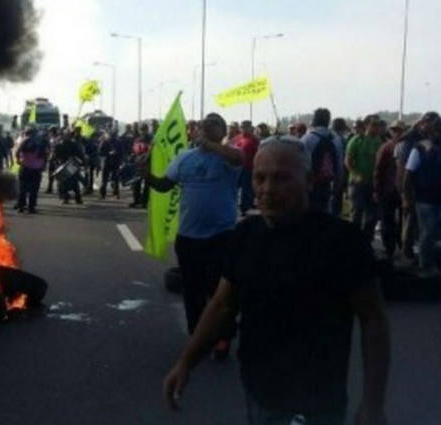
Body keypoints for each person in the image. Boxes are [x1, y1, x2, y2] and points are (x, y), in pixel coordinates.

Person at [163, 136, 391, 425]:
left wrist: (373, 403)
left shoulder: (342, 241)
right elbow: (222, 305)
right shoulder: (245, 237)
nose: (268, 189)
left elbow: (373, 320)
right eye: (260, 178)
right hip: (259, 393)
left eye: (282, 178)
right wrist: (186, 362)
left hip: (316, 402)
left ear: (308, 181)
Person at [144, 113, 243, 359]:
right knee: (193, 290)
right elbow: (164, 185)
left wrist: (212, 146)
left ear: (223, 131)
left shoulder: (228, 158)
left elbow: (239, 157)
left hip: (222, 235)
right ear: (198, 129)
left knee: (220, 291)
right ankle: (197, 336)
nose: (209, 126)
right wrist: (146, 175)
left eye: (215, 123)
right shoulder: (184, 158)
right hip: (189, 237)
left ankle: (223, 338)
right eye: (205, 123)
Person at [395, 112, 440, 261]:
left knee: (428, 230)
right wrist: (405, 195)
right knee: (414, 224)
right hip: (418, 191)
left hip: (430, 194)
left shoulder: (428, 144)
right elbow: (404, 170)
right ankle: (409, 255)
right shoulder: (412, 143)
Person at [346, 116, 384, 242]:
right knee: (357, 212)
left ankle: (367, 241)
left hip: (373, 183)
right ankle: (353, 241)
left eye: (378, 125)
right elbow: (348, 161)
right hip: (357, 184)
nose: (377, 128)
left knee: (372, 215)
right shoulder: (356, 140)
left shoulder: (379, 141)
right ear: (366, 125)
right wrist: (356, 175)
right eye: (374, 125)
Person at [301, 108, 344, 215]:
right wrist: (339, 183)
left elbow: (300, 163)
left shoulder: (307, 139)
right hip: (327, 182)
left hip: (309, 183)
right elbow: (339, 164)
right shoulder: (335, 139)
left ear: (314, 120)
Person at [374, 121, 405, 260]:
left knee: (402, 221)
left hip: (403, 190)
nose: (397, 133)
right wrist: (376, 189)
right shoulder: (386, 147)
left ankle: (399, 245)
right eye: (395, 130)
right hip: (387, 190)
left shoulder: (408, 147)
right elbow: (378, 170)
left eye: (400, 130)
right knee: (387, 220)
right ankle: (389, 247)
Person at [14, 127, 49, 213]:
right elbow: (46, 155)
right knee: (34, 189)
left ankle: (21, 206)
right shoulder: (42, 141)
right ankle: (31, 207)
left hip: (25, 167)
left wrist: (18, 160)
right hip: (36, 169)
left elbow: (17, 152)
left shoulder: (24, 140)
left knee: (23, 188)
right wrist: (43, 165)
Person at [233, 120, 260, 215]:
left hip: (250, 167)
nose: (244, 128)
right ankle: (240, 205)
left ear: (250, 127)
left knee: (247, 188)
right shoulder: (238, 138)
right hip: (238, 167)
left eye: (246, 126)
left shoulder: (255, 139)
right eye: (242, 126)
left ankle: (245, 207)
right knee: (236, 188)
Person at [53, 131, 86, 204]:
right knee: (74, 182)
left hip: (62, 164)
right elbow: (80, 154)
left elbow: (54, 156)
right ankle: (78, 198)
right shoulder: (73, 144)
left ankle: (66, 198)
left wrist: (56, 163)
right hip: (72, 164)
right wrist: (83, 163)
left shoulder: (59, 144)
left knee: (63, 182)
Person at [129, 124, 152, 208]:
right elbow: (134, 150)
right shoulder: (137, 139)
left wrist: (146, 157)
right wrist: (132, 156)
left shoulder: (151, 139)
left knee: (147, 184)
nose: (143, 131)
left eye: (144, 129)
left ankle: (144, 202)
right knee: (136, 183)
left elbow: (151, 151)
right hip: (138, 163)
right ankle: (136, 200)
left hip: (147, 163)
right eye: (142, 129)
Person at [98, 131, 122, 199]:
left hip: (108, 162)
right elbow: (122, 153)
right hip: (113, 162)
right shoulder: (118, 142)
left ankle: (104, 194)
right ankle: (116, 193)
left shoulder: (105, 142)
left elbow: (100, 152)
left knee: (105, 179)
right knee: (115, 179)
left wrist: (108, 153)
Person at [45, 126, 61, 194]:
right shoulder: (51, 139)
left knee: (58, 174)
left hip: (57, 159)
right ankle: (50, 188)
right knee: (50, 174)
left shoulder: (58, 139)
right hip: (51, 158)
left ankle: (59, 189)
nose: (49, 133)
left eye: (50, 131)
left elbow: (56, 148)